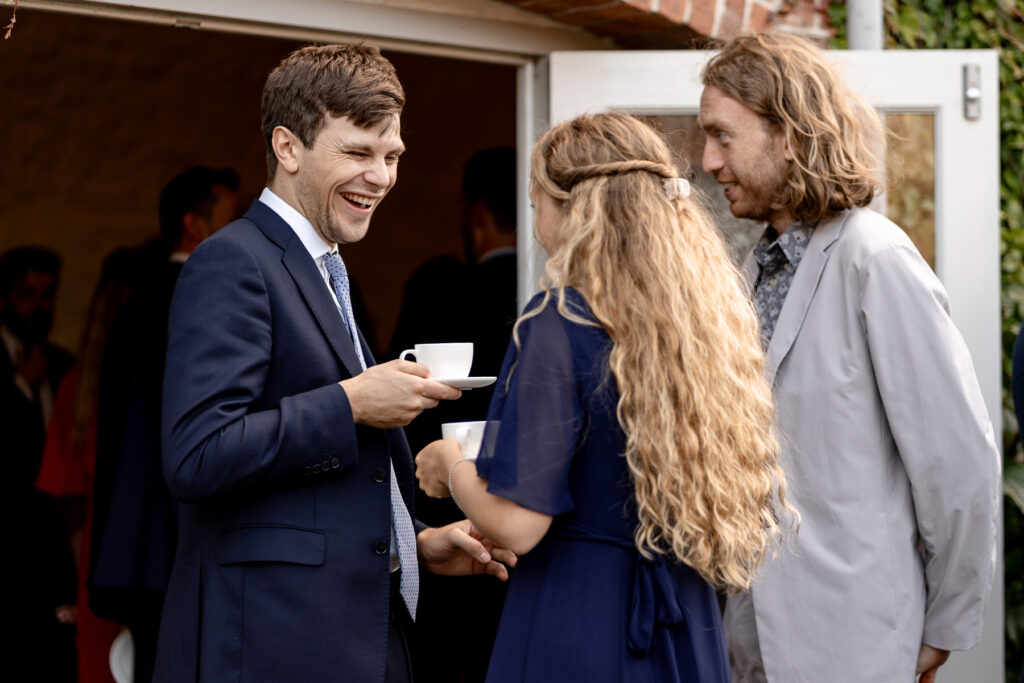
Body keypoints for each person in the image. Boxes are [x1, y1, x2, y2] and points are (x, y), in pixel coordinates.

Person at [153, 44, 514, 683]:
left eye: (392, 156)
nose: (381, 176)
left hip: (357, 630)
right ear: (288, 148)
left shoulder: (325, 267)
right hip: (275, 644)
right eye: (357, 153)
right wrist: (350, 404)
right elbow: (197, 453)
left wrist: (414, 550)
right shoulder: (233, 261)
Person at [416, 112, 790, 682]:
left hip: (583, 615)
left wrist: (453, 470)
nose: (534, 217)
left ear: (574, 210)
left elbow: (519, 524)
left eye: (536, 200)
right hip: (684, 623)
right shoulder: (698, 326)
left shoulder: (558, 321)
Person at [697, 33, 1000, 683]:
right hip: (750, 644)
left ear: (788, 134)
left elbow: (959, 466)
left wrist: (943, 626)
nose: (707, 160)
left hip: (855, 642)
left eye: (723, 136)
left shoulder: (876, 259)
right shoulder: (758, 267)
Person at [89, 167, 241, 683]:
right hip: (190, 537)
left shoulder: (136, 307)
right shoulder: (206, 298)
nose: (242, 231)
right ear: (194, 225)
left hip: (136, 543)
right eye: (231, 218)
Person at [390, 147, 517, 682]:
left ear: (475, 215)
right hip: (527, 540)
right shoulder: (551, 300)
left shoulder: (438, 288)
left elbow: (395, 403)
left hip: (442, 528)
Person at [37, 246, 153, 683]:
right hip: (151, 574)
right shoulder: (100, 384)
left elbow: (70, 509)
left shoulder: (77, 384)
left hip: (100, 574)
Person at [0, 245, 78, 682]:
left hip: (53, 561)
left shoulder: (65, 366)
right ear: (5, 298)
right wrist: (19, 392)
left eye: (47, 295)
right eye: (28, 294)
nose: (39, 306)